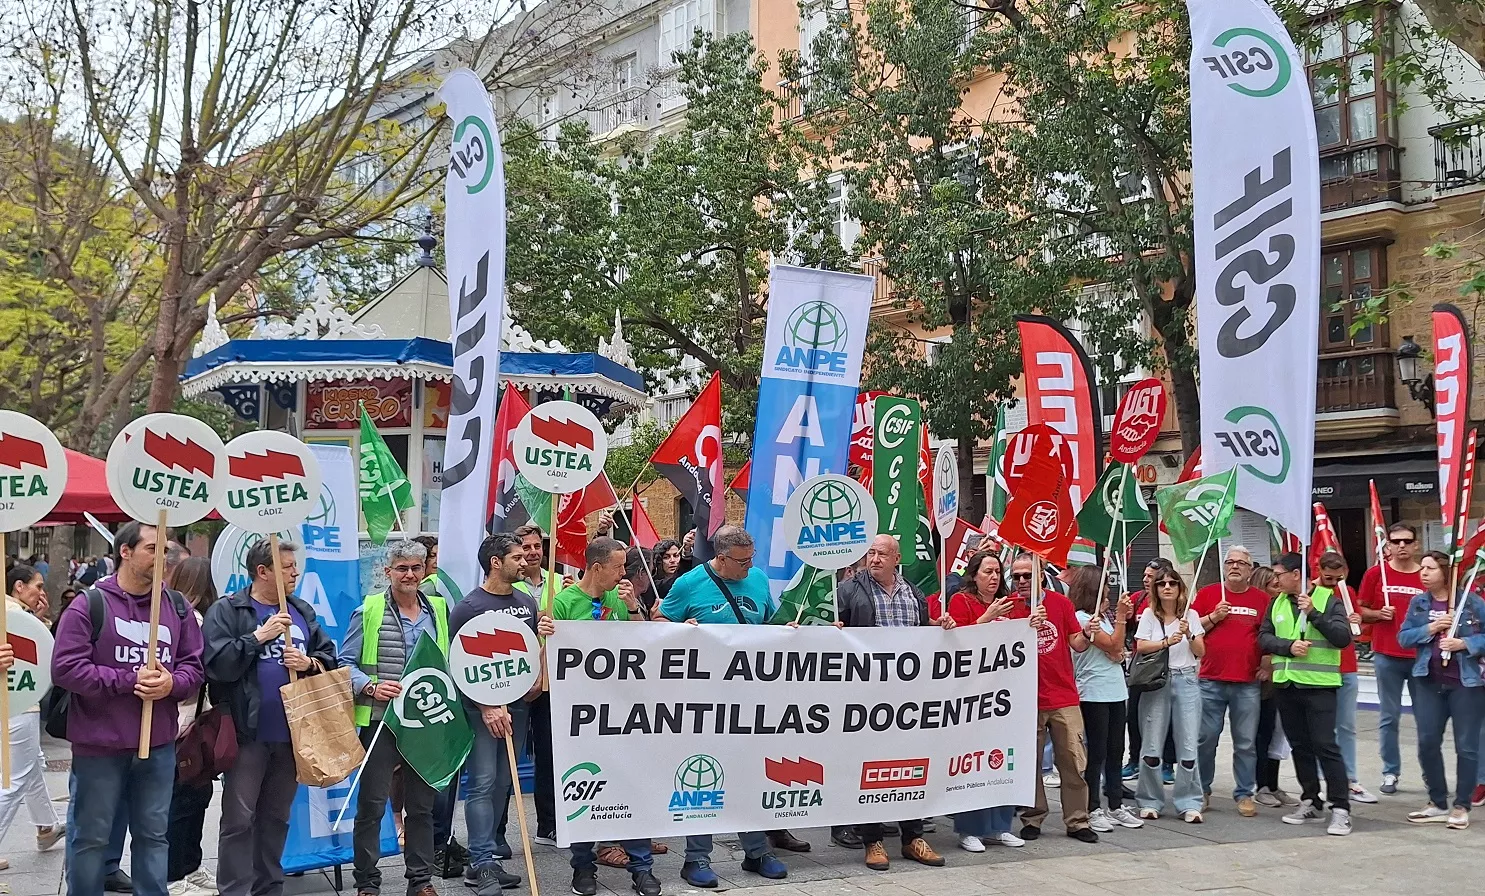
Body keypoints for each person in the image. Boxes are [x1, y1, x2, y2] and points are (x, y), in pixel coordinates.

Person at [53, 522, 206, 896]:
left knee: (154, 836)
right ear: (125, 552)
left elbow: (194, 666)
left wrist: (172, 682)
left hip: (157, 746)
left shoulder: (177, 607)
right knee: (90, 837)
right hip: (99, 747)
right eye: (152, 549)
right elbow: (66, 668)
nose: (162, 558)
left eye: (165, 551)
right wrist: (127, 680)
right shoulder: (89, 604)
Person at [204, 538, 338, 896]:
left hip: (293, 734)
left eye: (295, 565)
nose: (295, 572)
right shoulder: (229, 611)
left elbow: (328, 656)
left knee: (276, 818)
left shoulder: (301, 610)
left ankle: (269, 888)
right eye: (286, 567)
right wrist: (257, 638)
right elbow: (216, 666)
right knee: (238, 820)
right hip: (247, 734)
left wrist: (309, 663)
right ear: (262, 572)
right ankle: (234, 889)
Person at [657, 526, 788, 886]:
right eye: (742, 561)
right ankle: (696, 858)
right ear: (720, 557)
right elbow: (657, 625)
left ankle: (757, 851)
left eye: (752, 558)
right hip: (703, 703)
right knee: (702, 776)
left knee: (750, 773)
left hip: (751, 700)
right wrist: (681, 630)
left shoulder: (758, 579)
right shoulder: (688, 584)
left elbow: (772, 625)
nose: (750, 566)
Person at [547, 537, 662, 896]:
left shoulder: (619, 596)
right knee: (582, 788)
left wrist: (632, 609)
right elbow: (554, 659)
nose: (623, 573)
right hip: (580, 714)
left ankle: (641, 867)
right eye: (618, 566)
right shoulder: (564, 603)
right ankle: (583, 867)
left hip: (623, 709)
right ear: (597, 568)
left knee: (633, 783)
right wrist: (546, 635)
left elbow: (642, 646)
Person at [338, 540, 451, 896]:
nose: (409, 574)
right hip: (381, 722)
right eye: (402, 568)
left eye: (416, 568)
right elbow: (345, 665)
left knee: (421, 807)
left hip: (425, 723)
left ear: (424, 571)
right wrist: (370, 688)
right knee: (371, 806)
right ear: (388, 572)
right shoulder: (369, 610)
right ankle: (368, 884)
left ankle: (421, 881)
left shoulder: (438, 610)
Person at [836, 534, 953, 870]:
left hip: (907, 700)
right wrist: (833, 628)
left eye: (882, 553)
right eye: (871, 552)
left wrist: (938, 625)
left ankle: (912, 836)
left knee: (911, 765)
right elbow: (831, 631)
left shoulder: (913, 593)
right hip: (867, 698)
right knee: (871, 768)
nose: (874, 559)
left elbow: (921, 633)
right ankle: (872, 840)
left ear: (897, 558)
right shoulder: (849, 590)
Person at [449, 533, 553, 895]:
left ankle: (489, 857)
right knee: (481, 781)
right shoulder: (469, 607)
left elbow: (528, 653)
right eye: (517, 557)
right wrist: (487, 706)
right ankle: (479, 863)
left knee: (504, 782)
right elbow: (459, 665)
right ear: (496, 562)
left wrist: (539, 666)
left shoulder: (526, 602)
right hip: (483, 711)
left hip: (519, 706)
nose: (525, 562)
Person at [1003, 554, 1097, 843]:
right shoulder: (1008, 606)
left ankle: (1077, 820)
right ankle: (1032, 817)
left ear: (1041, 575)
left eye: (1026, 576)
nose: (1020, 581)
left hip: (1063, 695)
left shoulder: (1061, 603)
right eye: (1016, 576)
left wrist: (1088, 633)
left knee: (1073, 759)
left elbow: (1076, 644)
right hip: (1025, 697)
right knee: (1029, 764)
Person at [1258, 552, 1352, 836]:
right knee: (1300, 745)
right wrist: (1287, 647)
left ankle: (1341, 808)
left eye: (1279, 574)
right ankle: (1310, 799)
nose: (1275, 580)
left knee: (1326, 745)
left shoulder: (1327, 600)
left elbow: (1342, 638)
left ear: (1296, 574)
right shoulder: (1276, 603)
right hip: (1286, 684)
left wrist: (1313, 614)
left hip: (1319, 685)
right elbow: (1263, 637)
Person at [944, 551, 1033, 850]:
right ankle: (969, 829)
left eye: (997, 572)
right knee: (971, 762)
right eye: (987, 572)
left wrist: (1033, 622)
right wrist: (987, 619)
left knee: (1002, 760)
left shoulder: (1012, 603)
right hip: (972, 695)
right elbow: (956, 645)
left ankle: (999, 825)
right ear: (974, 574)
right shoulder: (961, 601)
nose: (994, 577)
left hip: (1004, 695)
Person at [1398, 551, 1485, 829]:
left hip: (1465, 684)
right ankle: (1436, 800)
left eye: (1430, 568)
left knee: (1467, 746)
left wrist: (1466, 645)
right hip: (1429, 681)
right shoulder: (1419, 603)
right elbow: (1404, 637)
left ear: (1445, 573)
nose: (1423, 572)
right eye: (1422, 567)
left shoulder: (1471, 603)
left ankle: (1461, 805)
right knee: (1426, 742)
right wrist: (1431, 627)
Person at [1063, 566, 1143, 833]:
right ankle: (1093, 807)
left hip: (1115, 690)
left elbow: (1118, 652)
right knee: (1096, 752)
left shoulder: (1102, 618)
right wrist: (1120, 619)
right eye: (1105, 585)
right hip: (1093, 691)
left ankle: (1116, 805)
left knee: (1115, 749)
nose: (1109, 589)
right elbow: (1113, 646)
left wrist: (1118, 637)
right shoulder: (1082, 618)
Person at [1193, 546, 1267, 818]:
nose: (1235, 566)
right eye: (1230, 562)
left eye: (1241, 563)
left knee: (1246, 742)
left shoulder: (1261, 599)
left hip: (1247, 681)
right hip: (1211, 679)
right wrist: (1214, 616)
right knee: (1205, 739)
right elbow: (1190, 628)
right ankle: (1201, 789)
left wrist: (1267, 662)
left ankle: (1245, 793)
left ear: (1250, 569)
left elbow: (1267, 634)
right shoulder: (1208, 594)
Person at [0, 565, 63, 871]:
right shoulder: (18, 617)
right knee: (15, 779)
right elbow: (41, 658)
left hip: (11, 704)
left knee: (32, 766)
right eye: (38, 586)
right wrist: (40, 621)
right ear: (19, 586)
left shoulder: (13, 613)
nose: (42, 592)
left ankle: (46, 825)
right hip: (20, 706)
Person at [164, 558, 219, 896]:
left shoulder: (178, 615)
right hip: (187, 720)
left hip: (188, 718)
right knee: (184, 798)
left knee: (195, 794)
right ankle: (175, 873)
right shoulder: (191, 620)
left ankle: (190, 866)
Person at [1134, 569, 1206, 823]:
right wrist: (1166, 642)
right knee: (1152, 744)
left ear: (1180, 588)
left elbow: (1200, 651)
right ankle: (1150, 799)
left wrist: (1188, 633)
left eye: (1172, 583)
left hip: (1185, 678)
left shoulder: (1191, 615)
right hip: (1158, 680)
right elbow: (1141, 645)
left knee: (1188, 744)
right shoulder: (1149, 615)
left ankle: (1189, 801)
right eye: (1162, 583)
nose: (1167, 587)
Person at [1358, 522, 1425, 796]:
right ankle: (1390, 771)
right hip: (1387, 654)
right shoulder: (1376, 574)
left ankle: (1429, 772)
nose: (1401, 546)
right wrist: (1377, 615)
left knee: (1427, 717)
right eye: (1396, 542)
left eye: (1407, 541)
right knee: (1389, 716)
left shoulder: (1428, 575)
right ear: (1387, 546)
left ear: (1416, 545)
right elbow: (1359, 609)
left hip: (1421, 656)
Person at [1313, 552, 1376, 805]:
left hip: (1346, 665)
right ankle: (1322, 780)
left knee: (1347, 726)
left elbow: (1355, 627)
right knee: (1321, 729)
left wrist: (1356, 619)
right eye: (1328, 577)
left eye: (1338, 577)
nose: (1333, 582)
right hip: (1319, 668)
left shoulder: (1347, 591)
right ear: (1319, 570)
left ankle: (1350, 778)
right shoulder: (1310, 593)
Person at [1124, 558, 1177, 781]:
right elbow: (1130, 631)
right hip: (1142, 665)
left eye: (1150, 576)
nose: (1145, 580)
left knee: (1169, 717)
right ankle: (1134, 759)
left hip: (1167, 665)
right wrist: (1124, 617)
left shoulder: (1174, 603)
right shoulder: (1138, 599)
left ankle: (1167, 763)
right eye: (1144, 576)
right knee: (1134, 715)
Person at [1247, 567, 1296, 809]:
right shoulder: (1263, 609)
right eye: (1272, 585)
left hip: (1280, 675)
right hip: (1261, 677)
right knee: (1262, 732)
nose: (1277, 589)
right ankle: (1261, 784)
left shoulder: (1282, 607)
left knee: (1277, 733)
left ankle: (1273, 784)